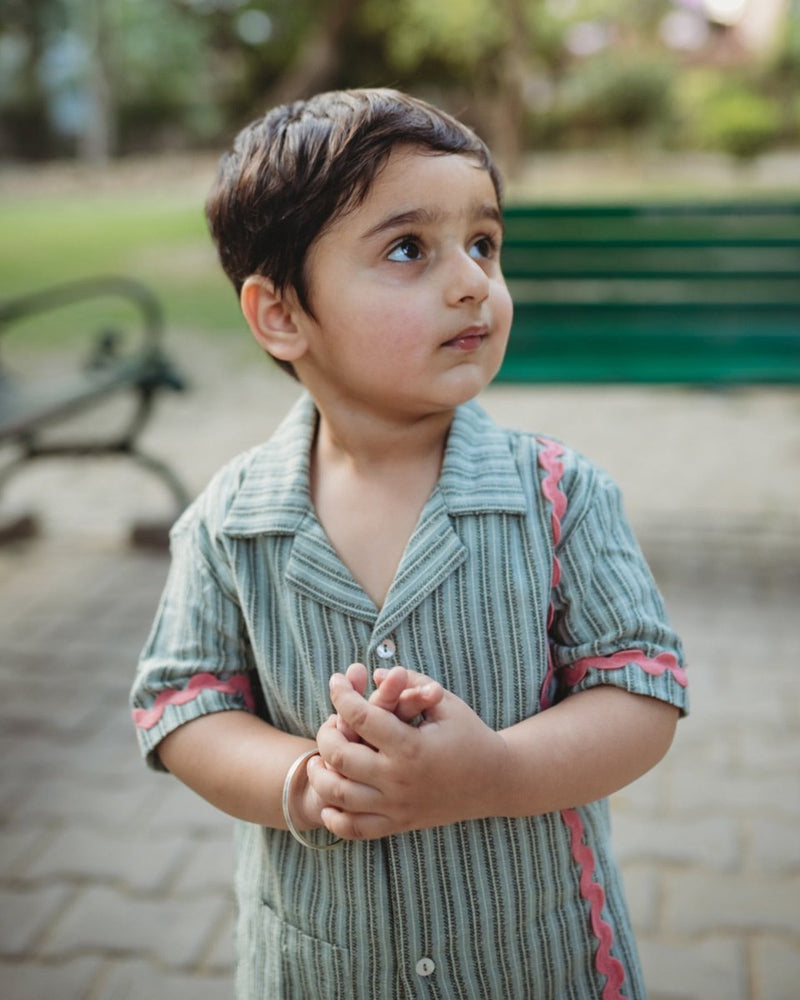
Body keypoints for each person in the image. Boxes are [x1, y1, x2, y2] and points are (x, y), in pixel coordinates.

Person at [130, 88, 689, 999]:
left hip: (536, 963)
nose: (472, 280)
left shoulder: (558, 495)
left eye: (484, 243)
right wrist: (306, 783)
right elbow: (182, 703)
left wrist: (497, 774)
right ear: (281, 315)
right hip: (322, 967)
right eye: (407, 249)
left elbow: (643, 690)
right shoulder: (232, 520)